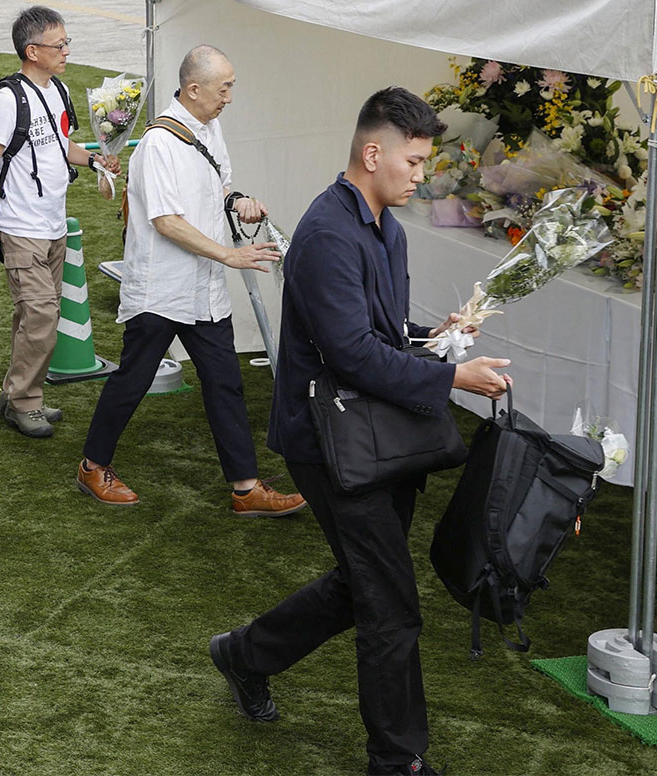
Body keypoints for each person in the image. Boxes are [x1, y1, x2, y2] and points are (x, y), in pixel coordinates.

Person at [214, 88, 512, 776]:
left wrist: (435, 336)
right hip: (331, 444)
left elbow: (377, 332)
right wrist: (451, 381)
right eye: (412, 161)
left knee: (366, 585)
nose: (420, 175)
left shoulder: (388, 228)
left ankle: (243, 654)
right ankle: (396, 759)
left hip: (374, 439)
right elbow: (350, 354)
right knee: (392, 605)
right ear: (372, 154)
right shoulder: (325, 234)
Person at [77, 44, 306, 517]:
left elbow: (219, 183)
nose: (229, 97)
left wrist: (237, 199)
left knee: (225, 382)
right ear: (194, 89)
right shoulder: (159, 145)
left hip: (203, 289)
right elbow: (167, 222)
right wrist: (230, 254)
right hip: (161, 288)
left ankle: (245, 488)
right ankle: (92, 465)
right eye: (224, 89)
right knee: (132, 381)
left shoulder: (210, 127)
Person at [0, 8, 118, 437]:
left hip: (53, 226)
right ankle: (24, 401)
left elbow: (60, 143)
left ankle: (17, 394)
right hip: (20, 227)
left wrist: (93, 160)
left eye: (67, 43)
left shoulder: (58, 91)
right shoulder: (7, 100)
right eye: (60, 45)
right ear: (32, 51)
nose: (67, 51)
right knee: (41, 317)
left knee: (31, 318)